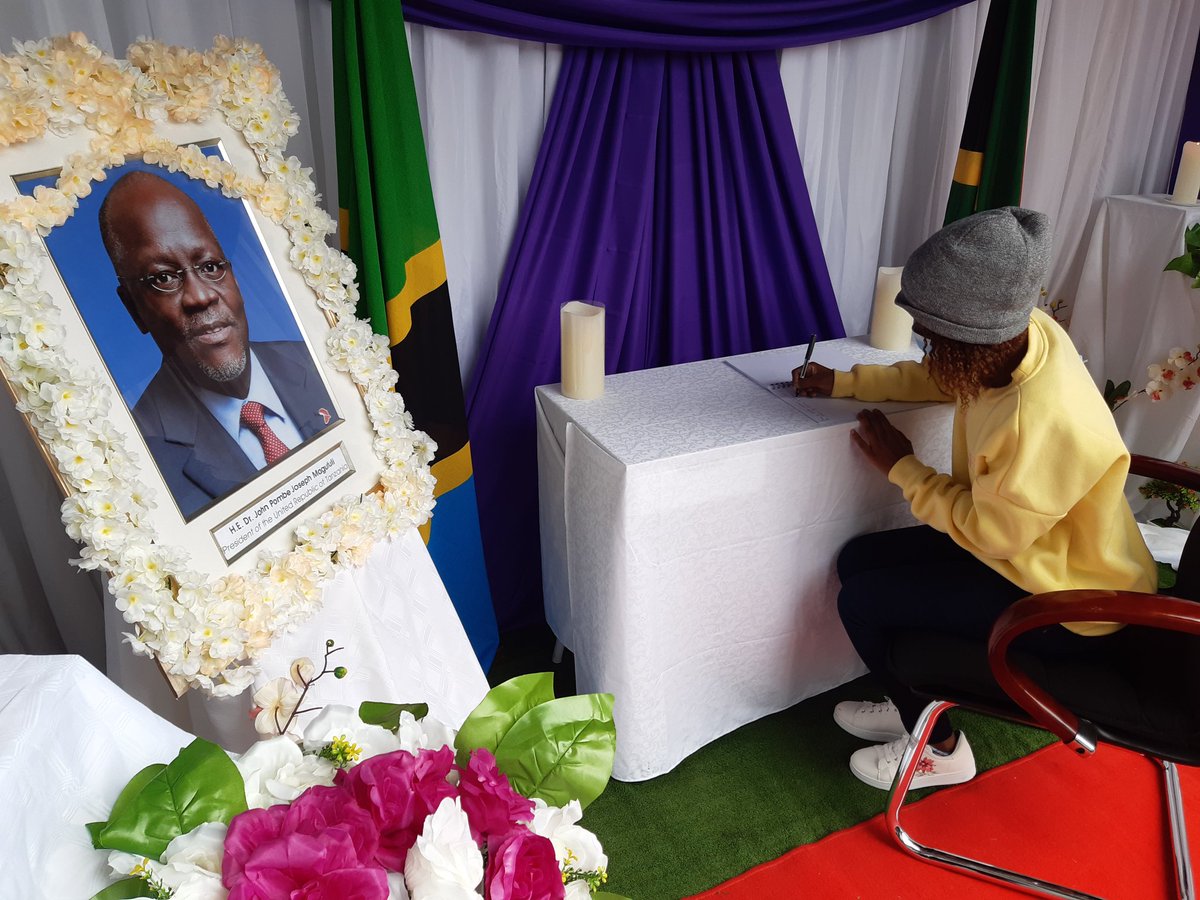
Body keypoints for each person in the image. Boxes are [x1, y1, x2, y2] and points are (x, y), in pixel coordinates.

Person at [792, 207, 1156, 790]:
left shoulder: (1042, 421)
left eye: (933, 334)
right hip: (1028, 556)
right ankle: (913, 697)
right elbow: (946, 375)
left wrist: (903, 468)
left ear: (971, 337)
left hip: (1068, 603)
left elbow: (988, 533)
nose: (925, 344)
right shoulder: (1021, 335)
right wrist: (845, 380)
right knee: (856, 560)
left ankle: (939, 748)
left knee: (863, 600)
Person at [99, 170, 337, 519]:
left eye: (210, 267)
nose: (201, 296)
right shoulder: (136, 462)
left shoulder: (323, 362)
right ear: (134, 308)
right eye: (163, 277)